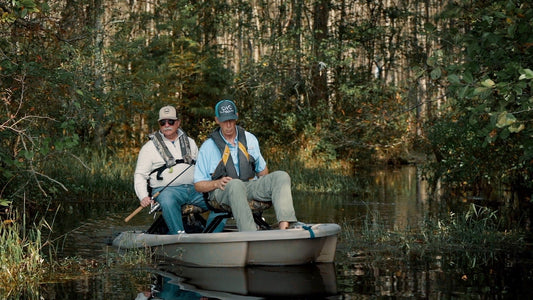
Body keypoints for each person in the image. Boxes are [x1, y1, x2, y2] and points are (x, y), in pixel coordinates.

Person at [193, 99, 297, 231]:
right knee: (235, 184)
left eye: (231, 119)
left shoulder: (250, 139)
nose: (229, 125)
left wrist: (265, 186)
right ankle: (250, 234)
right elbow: (198, 185)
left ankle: (285, 229)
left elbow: (262, 171)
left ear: (236, 116)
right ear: (217, 120)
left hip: (247, 186)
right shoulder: (207, 147)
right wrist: (216, 183)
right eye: (225, 121)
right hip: (222, 191)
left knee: (281, 176)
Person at [134, 105, 207, 234]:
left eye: (171, 121)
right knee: (168, 200)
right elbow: (140, 175)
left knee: (218, 198)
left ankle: (213, 235)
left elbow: (201, 169)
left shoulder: (190, 142)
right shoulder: (148, 147)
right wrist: (143, 196)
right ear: (159, 124)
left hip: (194, 190)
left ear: (178, 123)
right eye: (163, 122)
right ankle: (178, 236)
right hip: (167, 192)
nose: (167, 125)